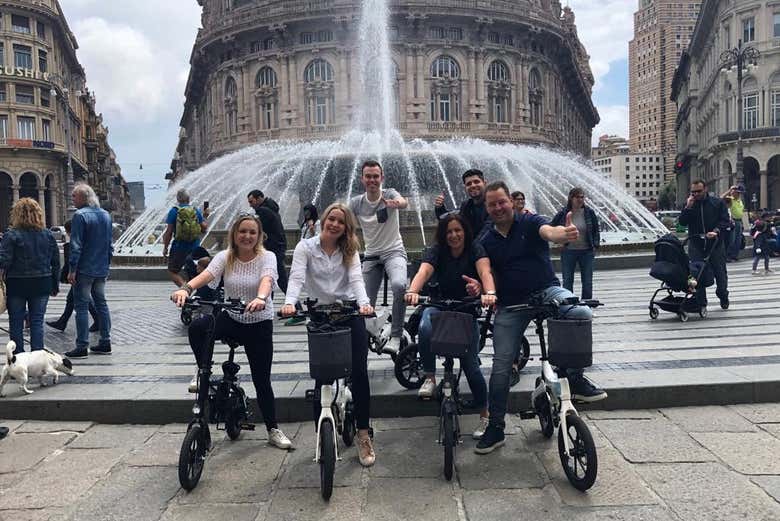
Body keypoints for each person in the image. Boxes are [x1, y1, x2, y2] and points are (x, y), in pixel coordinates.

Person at [476, 181, 607, 454]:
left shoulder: (529, 221)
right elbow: (485, 270)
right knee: (500, 368)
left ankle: (575, 377)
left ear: (511, 202)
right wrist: (487, 291)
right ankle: (496, 426)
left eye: (502, 202)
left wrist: (562, 234)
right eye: (492, 204)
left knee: (581, 312)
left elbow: (549, 231)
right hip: (511, 305)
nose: (499, 208)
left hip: (546, 291)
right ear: (487, 209)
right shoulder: (485, 240)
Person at [171, 214, 292, 450]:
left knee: (262, 379)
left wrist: (260, 297)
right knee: (198, 327)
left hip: (258, 322)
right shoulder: (225, 256)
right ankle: (201, 370)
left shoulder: (268, 256)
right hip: (233, 316)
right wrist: (186, 288)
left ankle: (273, 429)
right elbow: (207, 275)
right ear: (234, 235)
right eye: (242, 231)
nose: (247, 236)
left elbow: (267, 279)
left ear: (259, 236)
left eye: (252, 232)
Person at [281, 203, 377, 466]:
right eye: (331, 219)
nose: (334, 224)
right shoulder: (305, 247)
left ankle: (364, 434)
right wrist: (290, 302)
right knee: (322, 375)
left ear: (346, 228)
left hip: (349, 311)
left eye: (340, 222)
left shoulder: (349, 248)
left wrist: (364, 303)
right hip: (320, 314)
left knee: (359, 373)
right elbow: (297, 278)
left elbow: (357, 278)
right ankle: (322, 436)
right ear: (324, 220)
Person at [405, 213, 497, 439]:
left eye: (458, 230)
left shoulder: (475, 249)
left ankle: (485, 415)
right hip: (439, 304)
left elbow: (485, 271)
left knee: (471, 365)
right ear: (443, 235)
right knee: (426, 327)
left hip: (466, 308)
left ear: (465, 231)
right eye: (449, 232)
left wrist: (487, 293)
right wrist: (413, 290)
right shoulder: (436, 251)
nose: (454, 235)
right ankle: (429, 376)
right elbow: (424, 271)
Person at [348, 160, 407, 356]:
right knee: (363, 303)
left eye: (376, 176)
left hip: (394, 252)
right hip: (371, 256)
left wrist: (396, 204)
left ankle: (396, 336)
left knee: (399, 285)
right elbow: (343, 219)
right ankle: (369, 337)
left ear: (381, 178)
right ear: (362, 179)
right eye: (368, 176)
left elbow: (403, 202)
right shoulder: (357, 203)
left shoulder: (389, 194)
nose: (372, 180)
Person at [0, 198, 59, 353]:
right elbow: (55, 262)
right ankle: (37, 358)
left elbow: (4, 261)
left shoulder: (11, 235)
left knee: (16, 322)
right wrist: (55, 285)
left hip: (17, 284)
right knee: (37, 321)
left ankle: (18, 358)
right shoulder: (47, 235)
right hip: (42, 283)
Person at [64, 184, 113, 359]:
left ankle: (82, 346)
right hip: (101, 268)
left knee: (82, 307)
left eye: (74, 196)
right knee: (101, 303)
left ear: (84, 198)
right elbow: (110, 245)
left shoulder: (79, 215)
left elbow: (76, 245)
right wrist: (107, 264)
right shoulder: (106, 215)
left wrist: (72, 269)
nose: (72, 199)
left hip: (84, 269)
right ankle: (105, 342)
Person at [679, 179, 730, 309]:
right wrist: (688, 207)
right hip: (696, 244)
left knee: (720, 272)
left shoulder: (717, 203)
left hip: (715, 244)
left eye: (699, 191)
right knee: (696, 273)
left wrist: (716, 231)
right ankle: (701, 302)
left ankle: (723, 295)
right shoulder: (690, 205)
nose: (696, 194)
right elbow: (682, 222)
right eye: (693, 192)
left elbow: (725, 221)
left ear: (705, 189)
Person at [46, 220, 99, 332]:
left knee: (81, 298)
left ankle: (97, 320)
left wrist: (66, 275)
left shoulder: (73, 244)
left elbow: (71, 261)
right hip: (87, 272)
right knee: (71, 299)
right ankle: (62, 322)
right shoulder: (85, 240)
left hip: (78, 275)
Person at [551, 187, 601, 300]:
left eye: (582, 197)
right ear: (571, 198)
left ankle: (587, 304)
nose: (580, 199)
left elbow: (596, 230)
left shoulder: (589, 212)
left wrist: (595, 245)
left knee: (587, 281)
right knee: (568, 281)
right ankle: (570, 305)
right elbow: (552, 227)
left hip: (587, 251)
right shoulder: (563, 213)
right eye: (577, 197)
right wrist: (558, 242)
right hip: (568, 251)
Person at [162, 189, 209, 288]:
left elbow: (169, 232)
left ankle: (185, 289)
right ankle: (195, 289)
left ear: (178, 199)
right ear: (189, 199)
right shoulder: (195, 210)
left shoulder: (174, 211)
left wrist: (165, 247)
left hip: (179, 247)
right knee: (194, 270)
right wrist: (205, 216)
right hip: (195, 247)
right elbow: (204, 228)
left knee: (172, 271)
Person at [248, 190, 288, 293]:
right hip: (279, 246)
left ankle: (293, 304)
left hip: (272, 248)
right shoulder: (272, 207)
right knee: (275, 278)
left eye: (252, 201)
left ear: (259, 198)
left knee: (276, 278)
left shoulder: (262, 211)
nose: (250, 205)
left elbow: (259, 231)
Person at [434, 169, 490, 238]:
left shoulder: (493, 204)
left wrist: (474, 247)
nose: (473, 185)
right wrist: (439, 207)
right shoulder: (467, 206)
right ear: (465, 187)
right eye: (469, 184)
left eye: (476, 182)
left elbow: (488, 231)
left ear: (485, 183)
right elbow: (448, 219)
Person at [722, 185, 746, 261]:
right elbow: (720, 198)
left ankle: (734, 255)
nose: (738, 194)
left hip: (739, 221)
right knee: (731, 240)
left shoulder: (740, 201)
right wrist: (730, 190)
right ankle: (727, 256)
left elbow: (741, 212)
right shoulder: (730, 199)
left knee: (738, 240)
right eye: (737, 192)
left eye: (740, 193)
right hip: (732, 222)